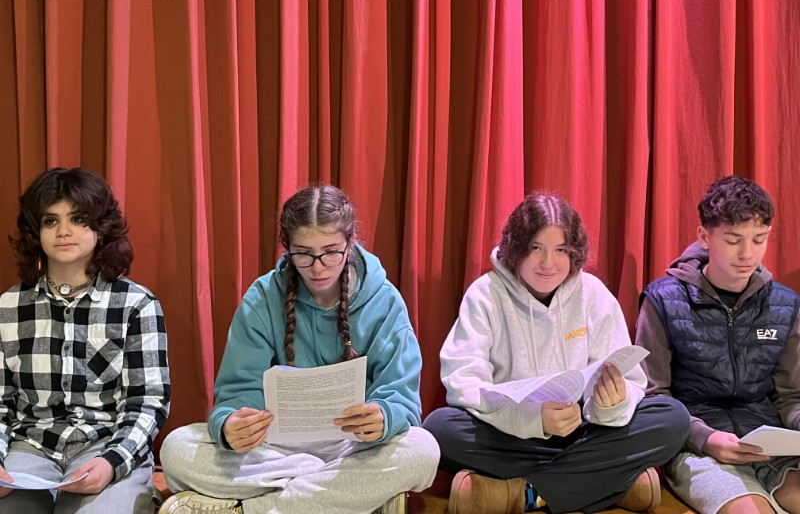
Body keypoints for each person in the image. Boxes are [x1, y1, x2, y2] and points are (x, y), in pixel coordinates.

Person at [159, 184, 439, 514]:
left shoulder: (384, 300)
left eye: (331, 252)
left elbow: (402, 398)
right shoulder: (262, 298)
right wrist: (229, 424)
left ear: (349, 244)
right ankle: (342, 494)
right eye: (303, 254)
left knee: (423, 451)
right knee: (176, 450)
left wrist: (385, 416)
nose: (318, 267)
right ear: (287, 248)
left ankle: (253, 509)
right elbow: (237, 392)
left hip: (354, 448)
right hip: (276, 452)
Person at [423, 191, 690, 514]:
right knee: (440, 428)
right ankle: (610, 484)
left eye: (561, 250)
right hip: (513, 435)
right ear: (516, 247)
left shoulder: (593, 294)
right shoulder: (485, 294)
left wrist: (610, 407)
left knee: (672, 418)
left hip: (585, 433)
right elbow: (464, 382)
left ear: (574, 253)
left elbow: (631, 381)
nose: (548, 263)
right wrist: (533, 420)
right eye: (536, 248)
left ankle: (527, 493)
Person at [0, 167, 171, 513]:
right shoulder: (9, 306)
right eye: (50, 221)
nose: (63, 231)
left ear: (100, 227)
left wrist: (112, 462)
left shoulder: (136, 304)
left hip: (106, 445)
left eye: (77, 219)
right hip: (29, 448)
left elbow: (147, 402)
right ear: (36, 231)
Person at [636, 176, 800, 514]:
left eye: (759, 239)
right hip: (698, 447)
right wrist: (704, 438)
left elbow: (790, 397)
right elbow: (653, 397)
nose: (747, 254)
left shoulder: (785, 304)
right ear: (704, 236)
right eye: (733, 240)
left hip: (772, 446)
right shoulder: (662, 299)